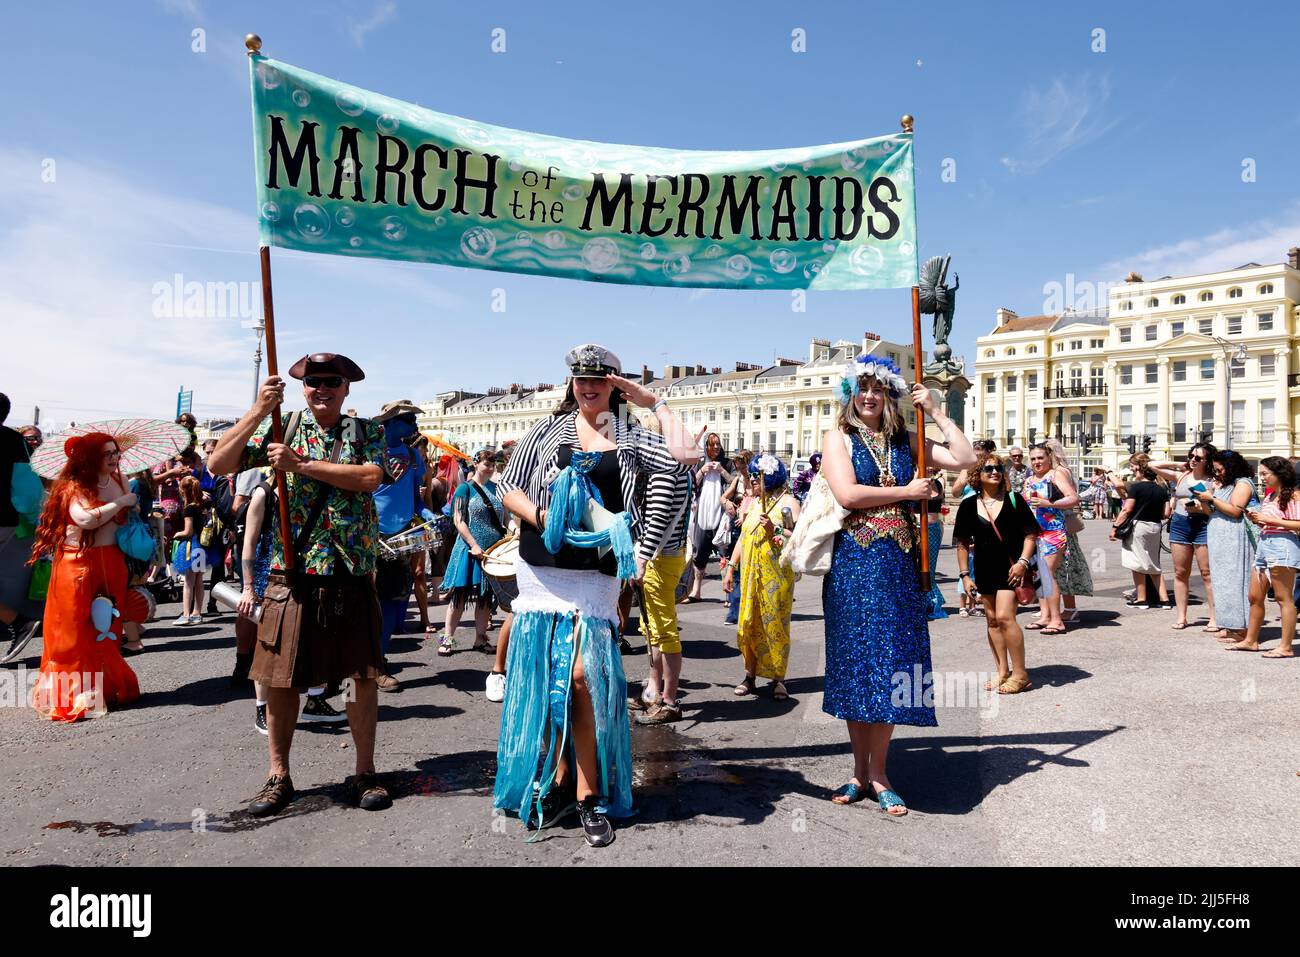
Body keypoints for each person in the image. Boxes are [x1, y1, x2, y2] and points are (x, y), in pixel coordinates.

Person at [493, 343, 701, 847]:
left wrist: (655, 404)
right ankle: (560, 780)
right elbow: (508, 487)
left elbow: (685, 460)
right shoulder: (548, 431)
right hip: (543, 567)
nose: (588, 388)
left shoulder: (631, 436)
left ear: (615, 385)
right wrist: (545, 518)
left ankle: (589, 793)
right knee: (547, 681)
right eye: (581, 380)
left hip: (596, 574)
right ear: (571, 383)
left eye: (600, 381)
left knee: (583, 679)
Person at [207, 352, 390, 817]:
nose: (322, 389)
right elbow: (217, 464)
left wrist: (301, 466)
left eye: (332, 382)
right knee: (280, 679)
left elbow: (370, 478)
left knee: (360, 676)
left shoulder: (366, 431)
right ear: (302, 388)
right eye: (313, 382)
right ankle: (278, 776)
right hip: (292, 573)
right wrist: (256, 411)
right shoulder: (280, 427)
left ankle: (365, 772)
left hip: (350, 570)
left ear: (347, 388)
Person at [821, 355, 975, 815]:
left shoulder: (907, 441)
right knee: (855, 663)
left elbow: (965, 458)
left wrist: (938, 413)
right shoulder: (838, 439)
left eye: (879, 389)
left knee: (892, 662)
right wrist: (908, 492)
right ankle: (857, 770)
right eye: (862, 387)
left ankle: (880, 773)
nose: (870, 395)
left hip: (898, 567)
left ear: (890, 397)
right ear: (851, 394)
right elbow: (848, 494)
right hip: (853, 564)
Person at [27, 434, 141, 720]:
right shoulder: (73, 486)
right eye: (107, 454)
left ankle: (104, 688)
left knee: (107, 626)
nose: (114, 458)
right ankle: (74, 694)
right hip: (77, 564)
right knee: (74, 631)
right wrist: (123, 502)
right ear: (90, 458)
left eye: (116, 452)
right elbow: (85, 519)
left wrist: (130, 505)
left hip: (112, 561)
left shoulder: (120, 480)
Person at [953, 452, 1039, 693]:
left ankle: (1021, 674)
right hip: (983, 568)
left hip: (1012, 568)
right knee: (991, 620)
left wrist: (1023, 562)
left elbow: (1031, 534)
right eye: (988, 469)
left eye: (998, 468)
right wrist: (965, 575)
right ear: (977, 475)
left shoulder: (1014, 499)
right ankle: (1003, 671)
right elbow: (961, 542)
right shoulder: (969, 505)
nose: (994, 472)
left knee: (1004, 617)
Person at [630, 423, 693, 724]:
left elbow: (658, 518)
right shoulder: (675, 467)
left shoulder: (665, 470)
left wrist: (641, 558)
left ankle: (668, 699)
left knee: (663, 630)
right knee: (652, 627)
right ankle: (656, 692)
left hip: (659, 557)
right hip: (663, 555)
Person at [723, 453, 800, 701]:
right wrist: (731, 567)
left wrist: (775, 529)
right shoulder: (753, 503)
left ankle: (779, 678)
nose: (752, 481)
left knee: (774, 624)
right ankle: (749, 675)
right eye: (752, 477)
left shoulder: (788, 502)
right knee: (748, 622)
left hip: (776, 576)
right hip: (750, 574)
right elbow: (744, 537)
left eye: (757, 477)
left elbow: (797, 538)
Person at [372, 400, 436, 690]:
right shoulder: (369, 452)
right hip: (366, 540)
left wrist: (429, 515)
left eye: (413, 420)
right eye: (409, 420)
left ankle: (378, 664)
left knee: (388, 604)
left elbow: (416, 499)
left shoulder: (412, 456)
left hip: (399, 542)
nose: (414, 426)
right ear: (389, 424)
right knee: (360, 606)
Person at [437, 448, 506, 656]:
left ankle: (480, 639)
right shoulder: (464, 489)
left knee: (486, 597)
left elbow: (507, 516)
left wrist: (515, 529)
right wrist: (473, 544)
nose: (490, 467)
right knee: (459, 595)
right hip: (469, 549)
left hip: (492, 550)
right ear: (476, 463)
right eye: (486, 463)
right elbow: (458, 520)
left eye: (493, 463)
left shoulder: (497, 489)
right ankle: (446, 638)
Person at [1229, 457, 1298, 656]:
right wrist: (1259, 520)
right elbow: (1274, 521)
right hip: (1265, 544)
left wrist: (1269, 519)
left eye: (1266, 473)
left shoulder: (1295, 496)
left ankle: (1285, 647)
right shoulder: (1269, 496)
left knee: (1283, 598)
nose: (1263, 477)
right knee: (1255, 596)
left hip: (1283, 545)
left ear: (1279, 474)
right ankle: (1251, 640)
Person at [1148, 443, 1218, 630]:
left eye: (1198, 458)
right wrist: (1178, 465)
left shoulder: (1214, 480)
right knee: (1180, 572)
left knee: (1207, 573)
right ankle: (1181, 617)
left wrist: (1202, 505)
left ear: (1208, 461)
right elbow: (1151, 465)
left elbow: (1216, 506)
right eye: (1191, 456)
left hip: (1203, 524)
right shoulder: (1182, 476)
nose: (1193, 460)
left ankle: (1214, 617)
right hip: (1180, 523)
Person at [1191, 451, 1256, 644]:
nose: (1217, 472)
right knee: (1222, 582)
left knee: (1235, 582)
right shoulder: (1226, 484)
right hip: (1220, 538)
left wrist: (1211, 499)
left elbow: (1236, 511)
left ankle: (1241, 628)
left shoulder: (1243, 483)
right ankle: (1229, 624)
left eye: (1220, 468)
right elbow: (1212, 512)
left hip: (1234, 538)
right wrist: (1204, 501)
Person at [0, 393, 46, 663]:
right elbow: (29, 490)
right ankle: (19, 620)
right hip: (10, 520)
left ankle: (20, 620)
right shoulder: (15, 440)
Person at [1023, 443, 1078, 634]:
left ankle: (1057, 620)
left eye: (1040, 458)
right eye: (1033, 459)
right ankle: (1045, 616)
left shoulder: (1055, 475)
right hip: (1034, 533)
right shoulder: (1029, 480)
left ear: (1048, 458)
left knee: (1046, 573)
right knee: (1038, 574)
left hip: (1053, 531)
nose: (1037, 462)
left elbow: (1073, 497)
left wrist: (1050, 503)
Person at [1110, 454, 1172, 608]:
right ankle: (1164, 600)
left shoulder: (1136, 488)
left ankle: (1141, 599)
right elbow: (1166, 513)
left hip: (1139, 527)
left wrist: (1115, 527)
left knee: (1136, 562)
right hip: (1155, 527)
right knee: (1154, 563)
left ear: (1141, 471)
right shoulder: (1161, 489)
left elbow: (1127, 509)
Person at [1043, 438, 1093, 623]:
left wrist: (1048, 503)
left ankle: (1066, 610)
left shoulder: (1058, 472)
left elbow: (1070, 497)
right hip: (1062, 524)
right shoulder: (1065, 470)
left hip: (1059, 524)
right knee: (1063, 568)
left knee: (1061, 569)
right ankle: (1063, 609)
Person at [682, 433, 731, 604]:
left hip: (721, 514)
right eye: (713, 444)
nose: (717, 447)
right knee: (699, 551)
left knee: (725, 553)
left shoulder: (727, 463)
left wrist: (722, 471)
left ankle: (729, 595)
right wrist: (702, 471)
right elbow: (691, 483)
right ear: (707, 446)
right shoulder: (699, 463)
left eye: (718, 444)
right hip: (702, 513)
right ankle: (696, 591)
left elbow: (735, 482)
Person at [170, 476, 208, 625]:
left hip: (192, 546)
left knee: (188, 581)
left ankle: (186, 614)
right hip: (203, 546)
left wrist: (177, 534)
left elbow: (188, 531)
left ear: (184, 491)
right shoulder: (203, 504)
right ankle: (197, 613)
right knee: (199, 580)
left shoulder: (189, 508)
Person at [720, 450, 751, 627]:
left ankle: (745, 609)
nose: (741, 471)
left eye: (743, 467)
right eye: (738, 468)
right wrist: (728, 503)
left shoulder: (757, 481)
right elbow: (723, 497)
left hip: (750, 528)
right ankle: (734, 611)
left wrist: (746, 515)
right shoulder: (738, 480)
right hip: (737, 529)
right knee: (735, 569)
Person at [924, 467, 948, 620]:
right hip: (917, 528)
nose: (929, 467)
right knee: (918, 566)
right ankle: (921, 602)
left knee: (930, 568)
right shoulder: (913, 480)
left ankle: (933, 602)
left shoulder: (940, 482)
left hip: (934, 529)